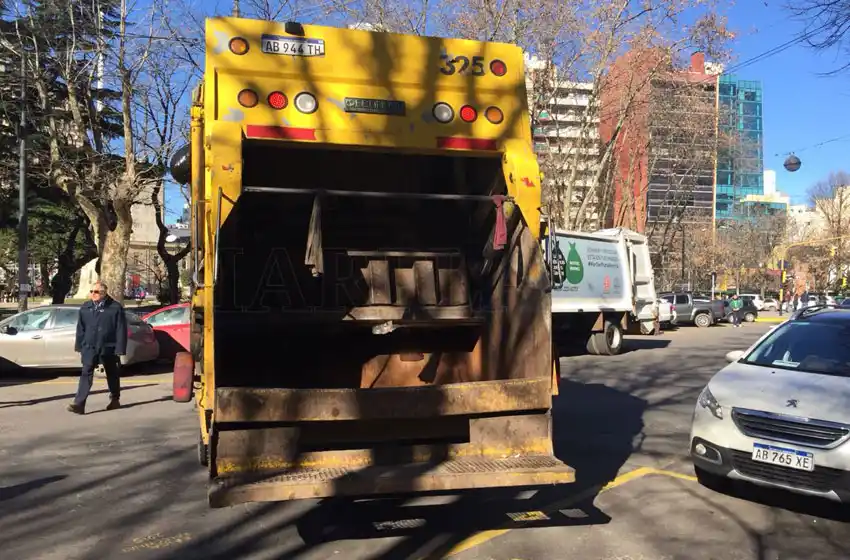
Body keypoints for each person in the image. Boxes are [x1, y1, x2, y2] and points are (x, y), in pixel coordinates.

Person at [67, 281, 128, 415]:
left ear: (104, 293)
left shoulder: (115, 307)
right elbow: (80, 328)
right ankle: (79, 403)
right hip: (89, 347)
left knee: (112, 373)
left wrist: (120, 348)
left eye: (96, 292)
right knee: (86, 373)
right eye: (91, 291)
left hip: (108, 347)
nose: (93, 294)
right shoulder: (86, 307)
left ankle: (115, 399)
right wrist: (79, 345)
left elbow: (121, 329)